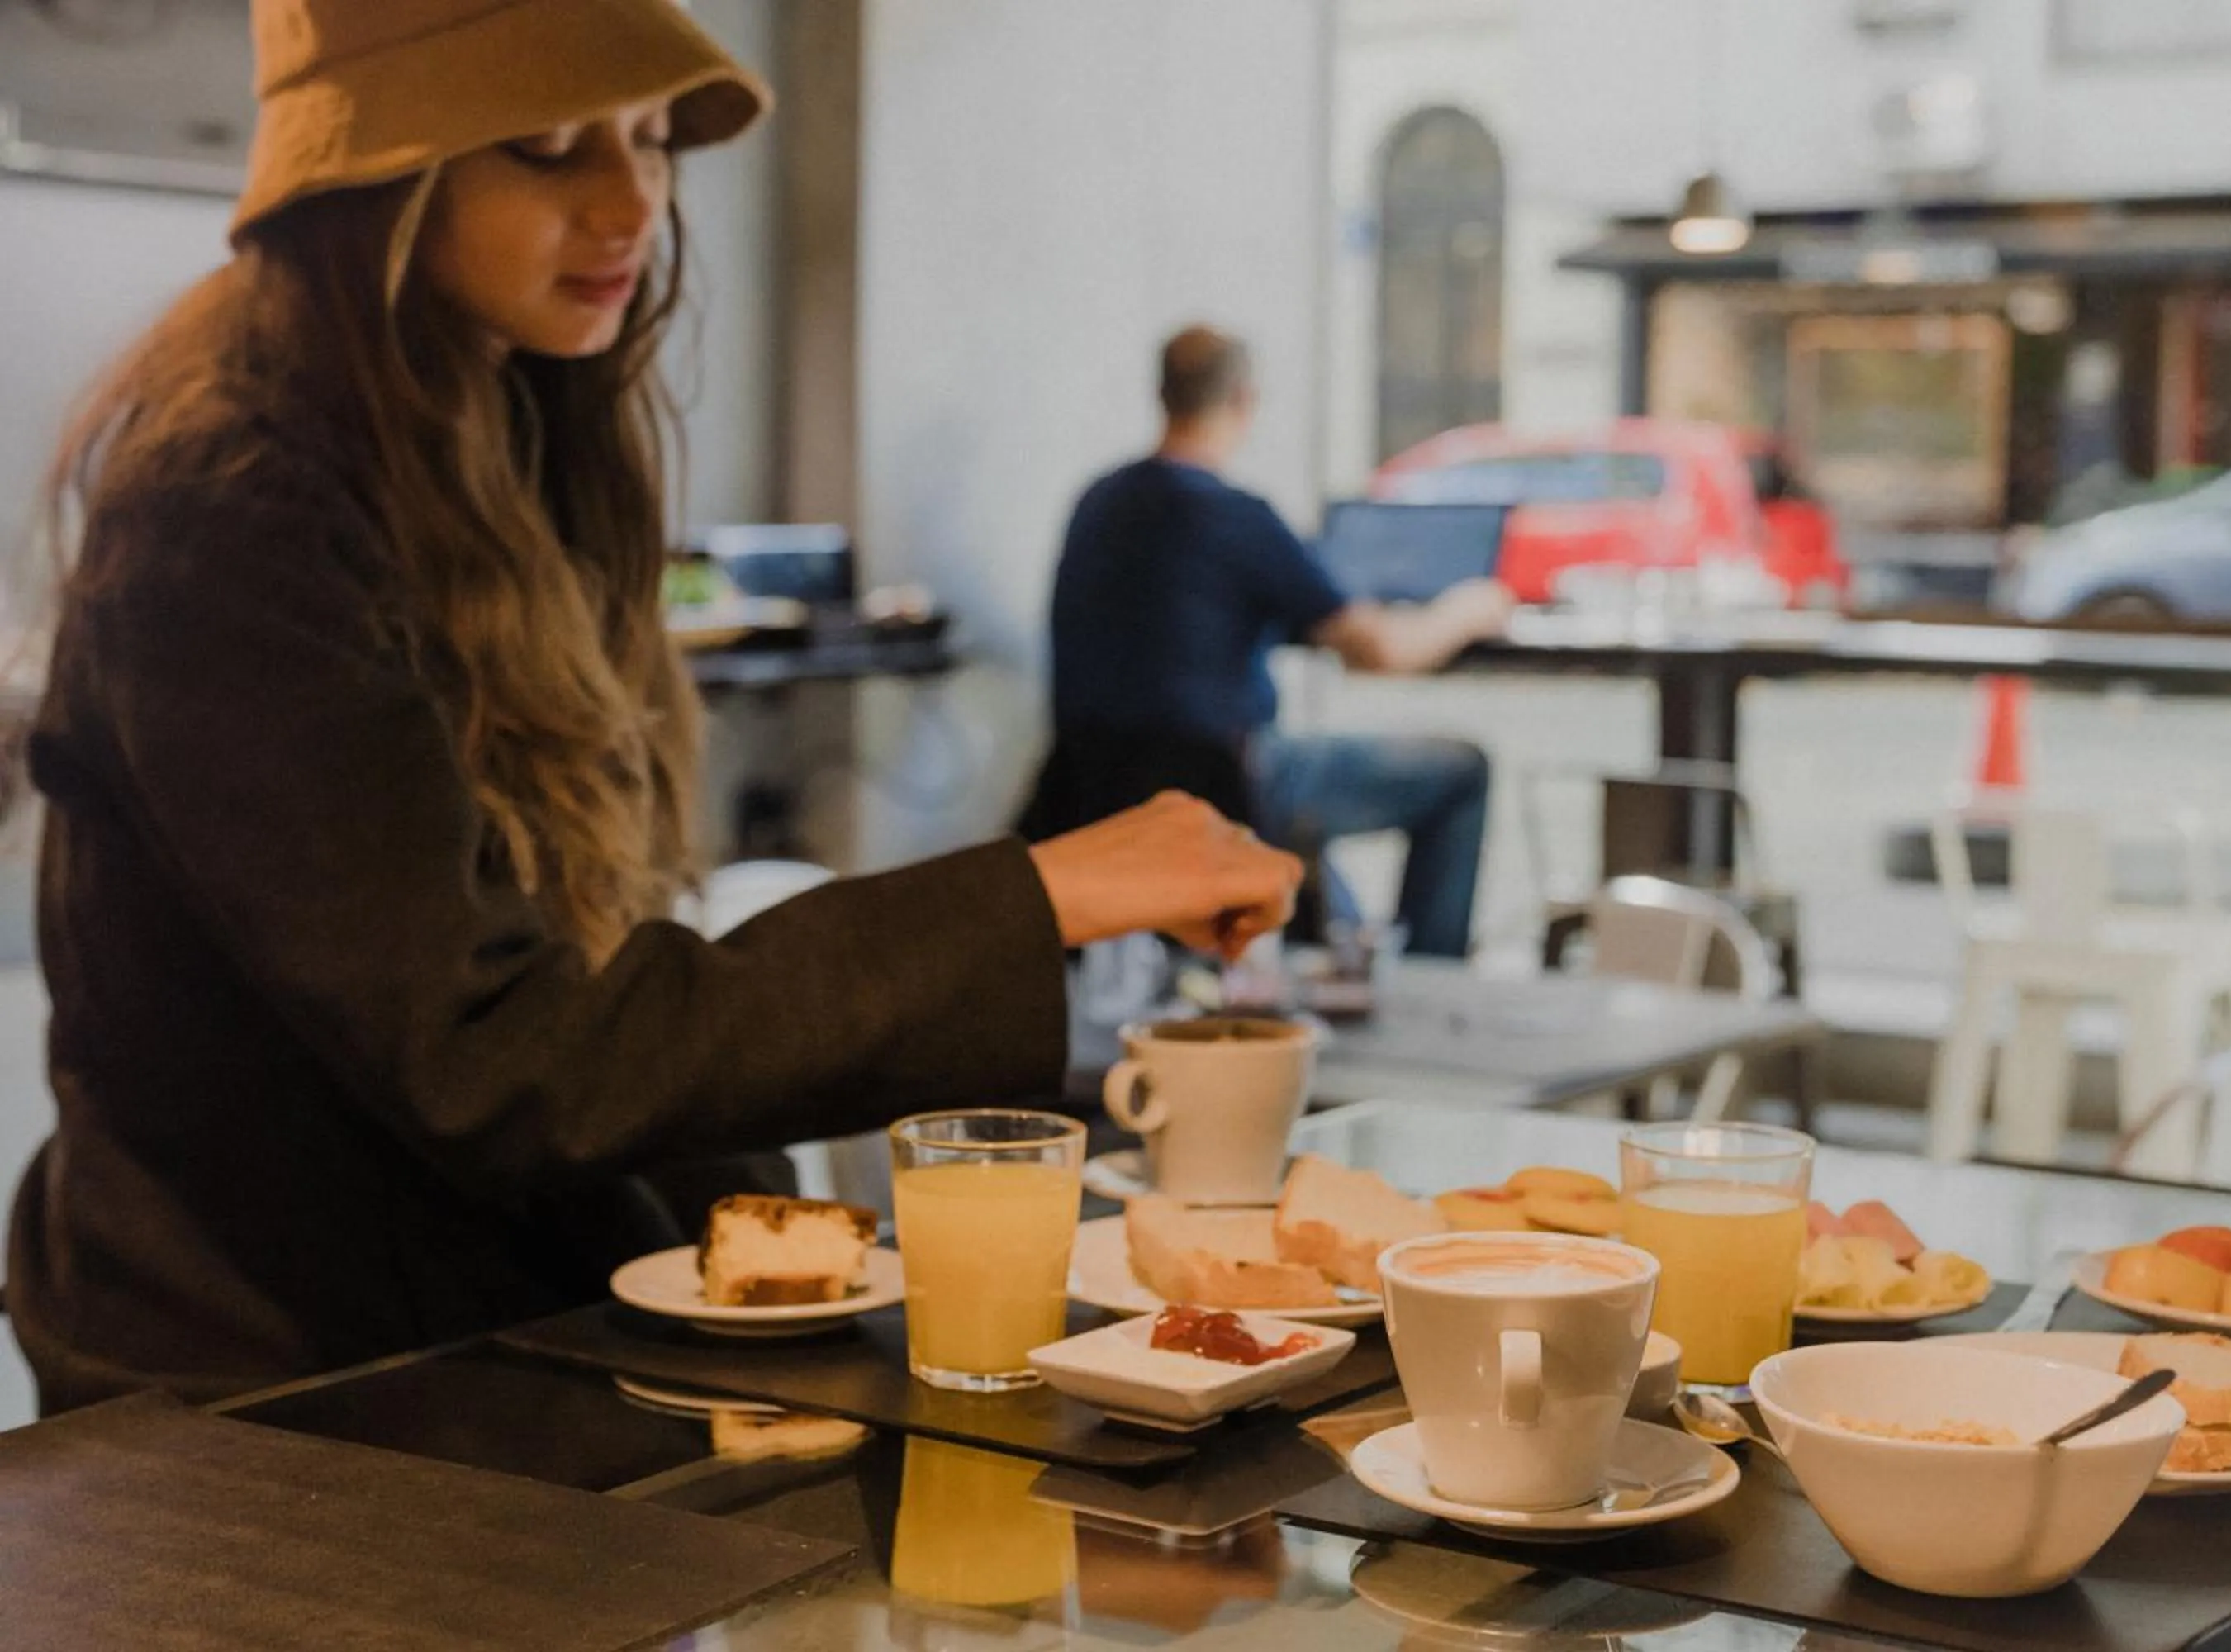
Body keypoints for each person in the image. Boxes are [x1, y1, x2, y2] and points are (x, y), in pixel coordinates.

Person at [5, 0, 1299, 1414]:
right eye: (549, 146)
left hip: (490, 1327)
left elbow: (603, 985)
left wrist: (783, 1243)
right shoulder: (231, 504)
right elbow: (499, 1056)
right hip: (265, 1403)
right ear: (377, 180)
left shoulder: (511, 419)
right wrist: (1038, 895)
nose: (631, 203)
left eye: (650, 136)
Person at [1047, 327, 1512, 957]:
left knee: (1321, 885)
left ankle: (1340, 948)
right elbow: (1381, 651)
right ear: (1245, 399)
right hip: (1226, 781)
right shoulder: (1235, 516)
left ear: (1163, 393)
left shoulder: (1099, 502)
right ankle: (1428, 983)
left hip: (1094, 780)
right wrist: (1468, 609)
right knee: (1461, 772)